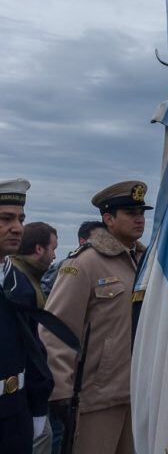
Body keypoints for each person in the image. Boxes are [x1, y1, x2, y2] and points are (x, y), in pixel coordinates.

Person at [42, 181, 151, 453]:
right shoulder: (84, 263)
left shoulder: (147, 261)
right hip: (95, 397)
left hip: (139, 392)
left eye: (142, 212)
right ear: (108, 219)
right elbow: (57, 328)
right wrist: (60, 391)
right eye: (130, 213)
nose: (139, 219)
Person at [0, 180, 53, 452]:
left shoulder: (17, 282)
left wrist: (38, 406)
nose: (18, 228)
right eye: (6, 218)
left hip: (15, 414)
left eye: (21, 219)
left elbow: (32, 349)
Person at [41, 221, 104, 300]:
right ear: (83, 241)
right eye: (98, 239)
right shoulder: (63, 266)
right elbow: (44, 292)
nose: (103, 244)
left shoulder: (105, 268)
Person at [11, 222, 58, 309]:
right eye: (53, 249)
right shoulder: (19, 283)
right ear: (39, 249)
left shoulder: (23, 274)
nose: (54, 256)